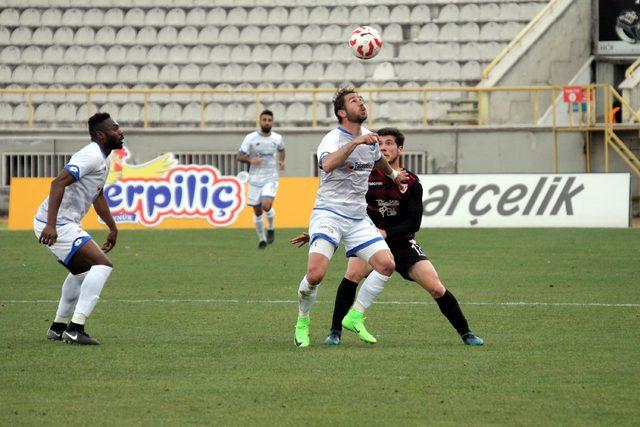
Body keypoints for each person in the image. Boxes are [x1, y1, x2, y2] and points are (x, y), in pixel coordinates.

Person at [291, 127, 484, 347]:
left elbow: (414, 223)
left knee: (436, 287)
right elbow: (344, 209)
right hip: (366, 238)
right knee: (352, 275)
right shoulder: (366, 177)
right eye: (380, 143)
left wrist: (386, 233)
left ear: (400, 149)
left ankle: (466, 333)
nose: (384, 147)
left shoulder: (410, 181)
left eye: (390, 143)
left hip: (401, 243)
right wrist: (318, 231)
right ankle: (335, 332)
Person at [292, 87, 408, 348]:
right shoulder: (332, 139)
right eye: (355, 101)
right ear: (342, 112)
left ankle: (355, 316)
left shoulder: (370, 138)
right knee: (316, 274)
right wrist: (354, 143)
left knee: (387, 265)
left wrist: (393, 176)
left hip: (357, 217)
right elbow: (327, 165)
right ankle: (302, 320)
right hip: (329, 214)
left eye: (362, 100)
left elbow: (378, 160)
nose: (362, 104)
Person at [34, 112, 123, 345]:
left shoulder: (104, 158)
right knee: (102, 265)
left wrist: (112, 227)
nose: (121, 132)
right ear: (101, 135)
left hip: (64, 222)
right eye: (115, 129)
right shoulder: (91, 155)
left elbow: (98, 195)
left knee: (82, 273)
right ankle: (76, 328)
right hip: (56, 223)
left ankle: (58, 327)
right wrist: (51, 225)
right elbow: (58, 182)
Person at [237, 109, 285, 249]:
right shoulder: (250, 138)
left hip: (271, 177)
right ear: (260, 121)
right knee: (257, 211)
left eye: (269, 120)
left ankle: (270, 227)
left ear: (272, 122)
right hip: (255, 179)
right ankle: (262, 239)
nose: (267, 122)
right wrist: (250, 159)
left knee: (266, 205)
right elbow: (239, 156)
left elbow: (282, 150)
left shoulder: (277, 138)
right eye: (264, 120)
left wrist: (282, 161)